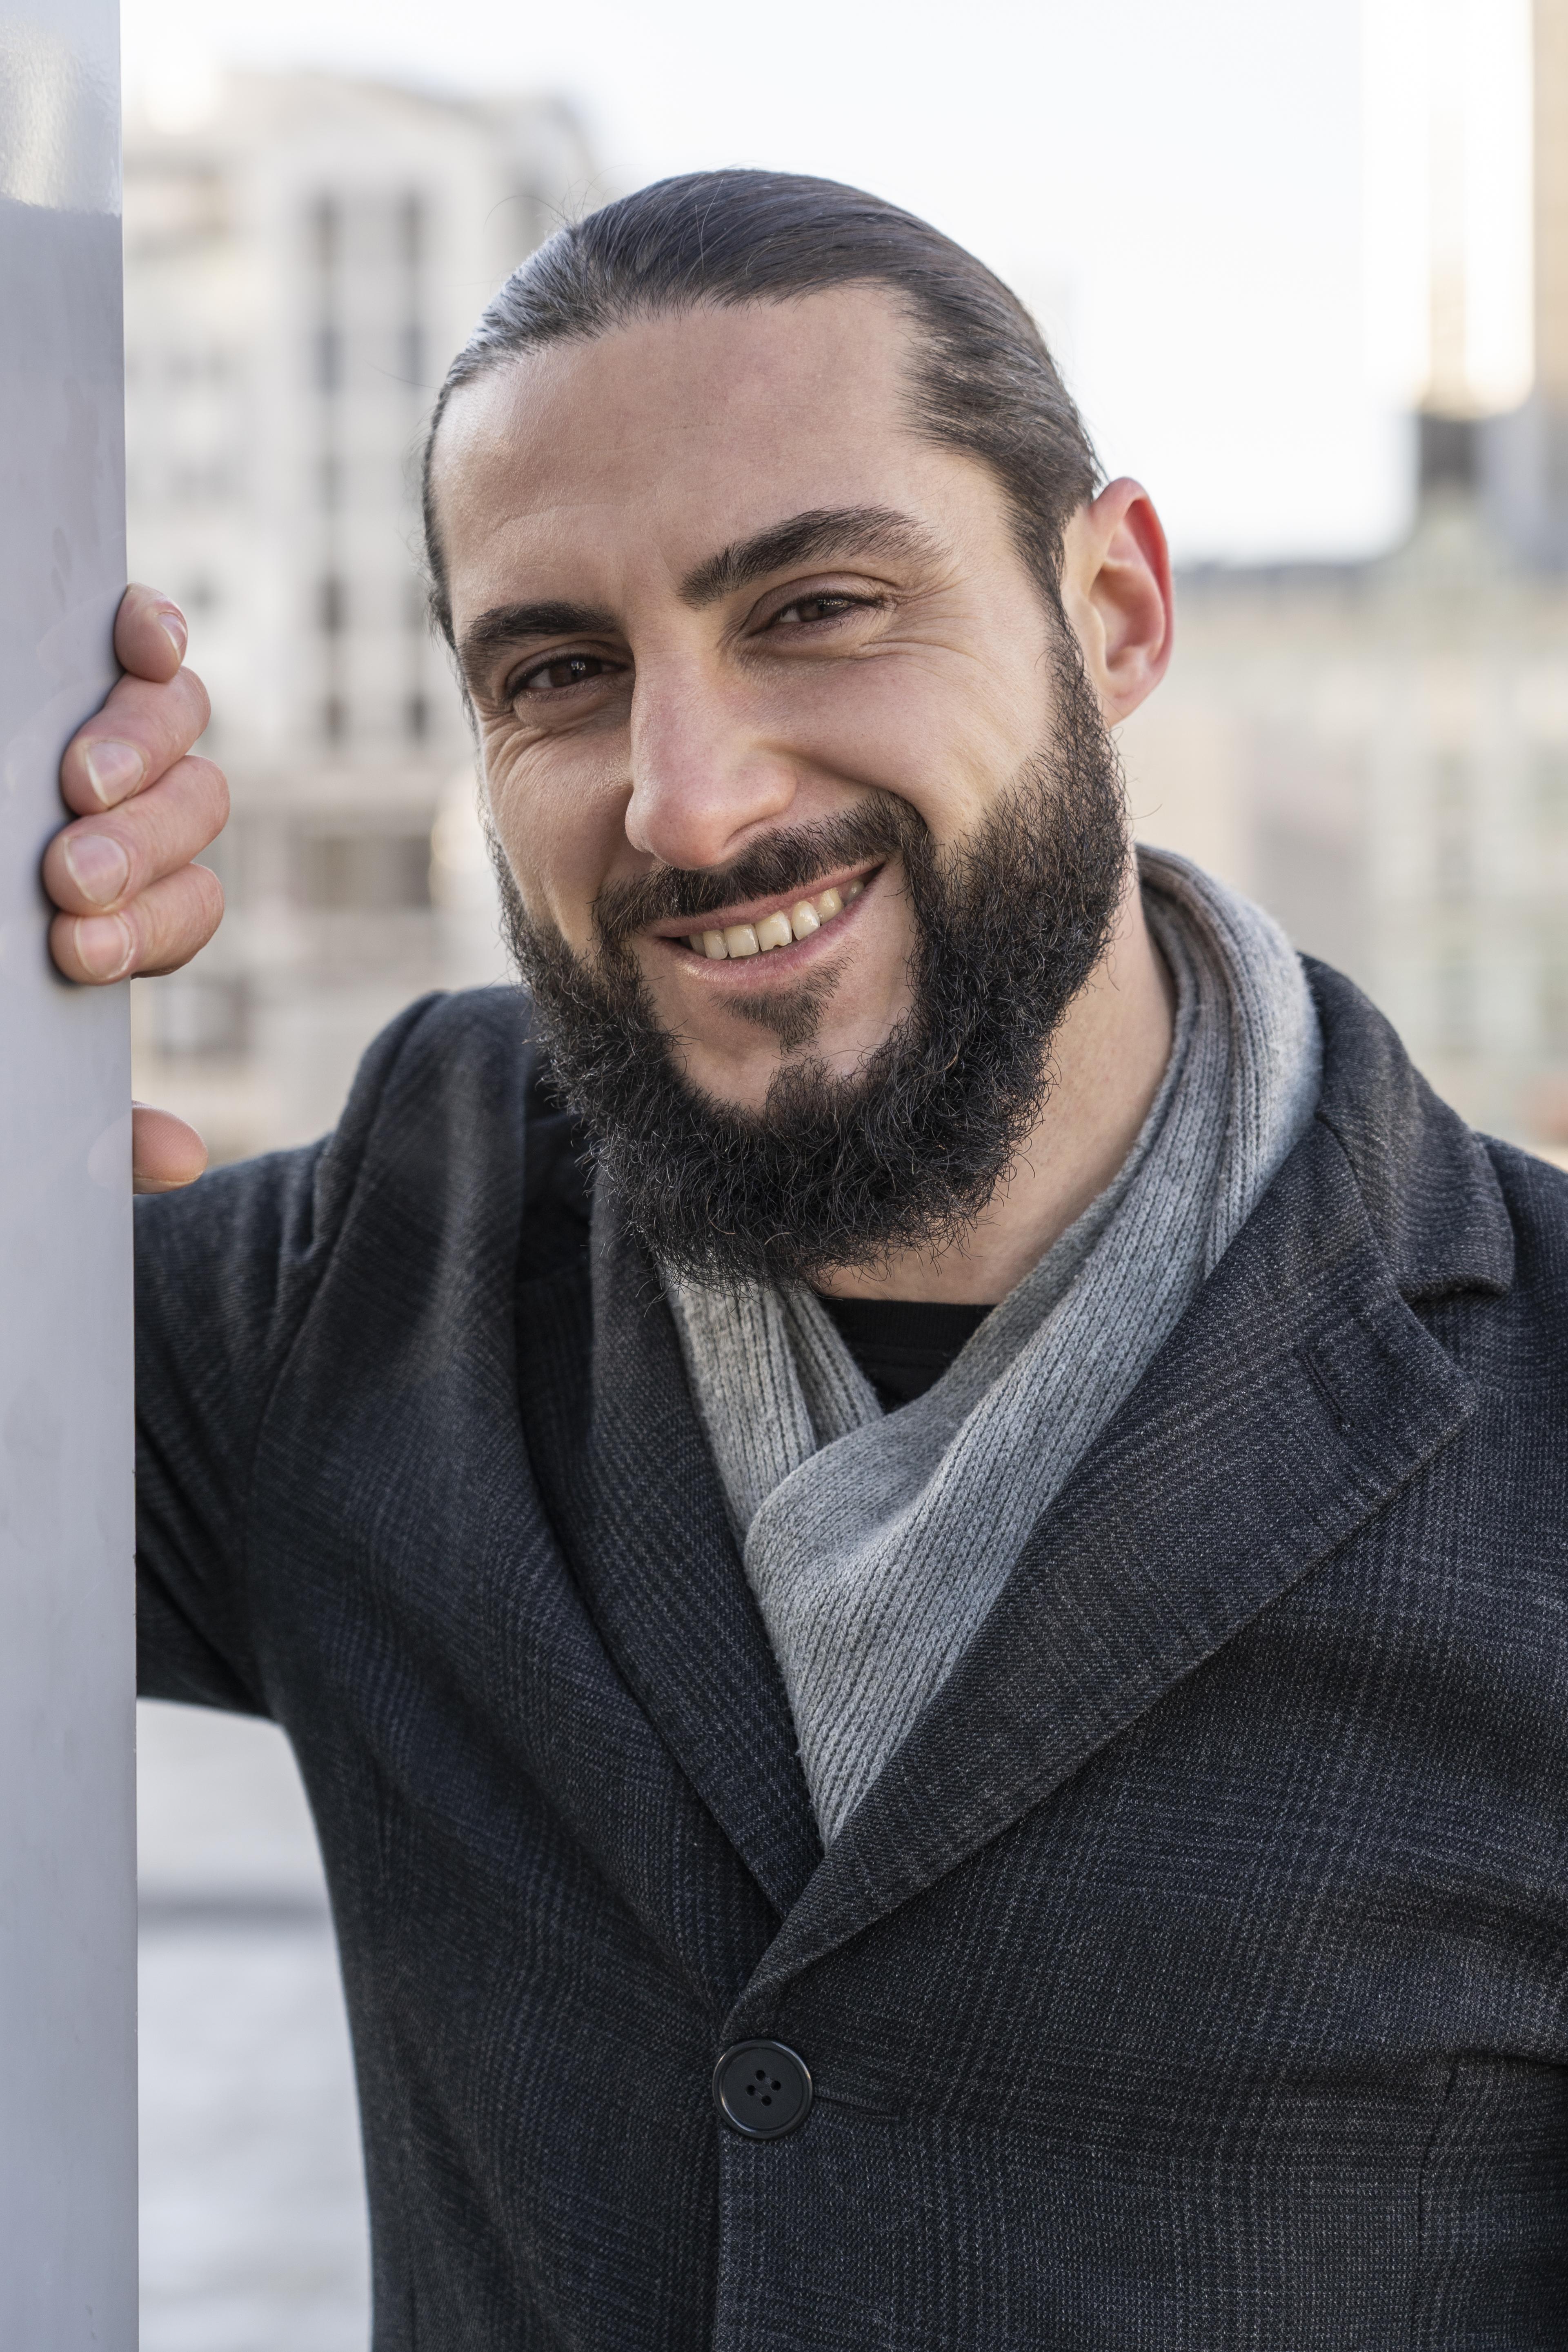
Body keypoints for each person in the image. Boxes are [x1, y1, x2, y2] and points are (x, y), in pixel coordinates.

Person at [46, 172, 1568, 2345]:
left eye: (816, 607)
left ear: (1113, 611)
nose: (686, 795)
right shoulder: (388, 1250)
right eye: (559, 671)